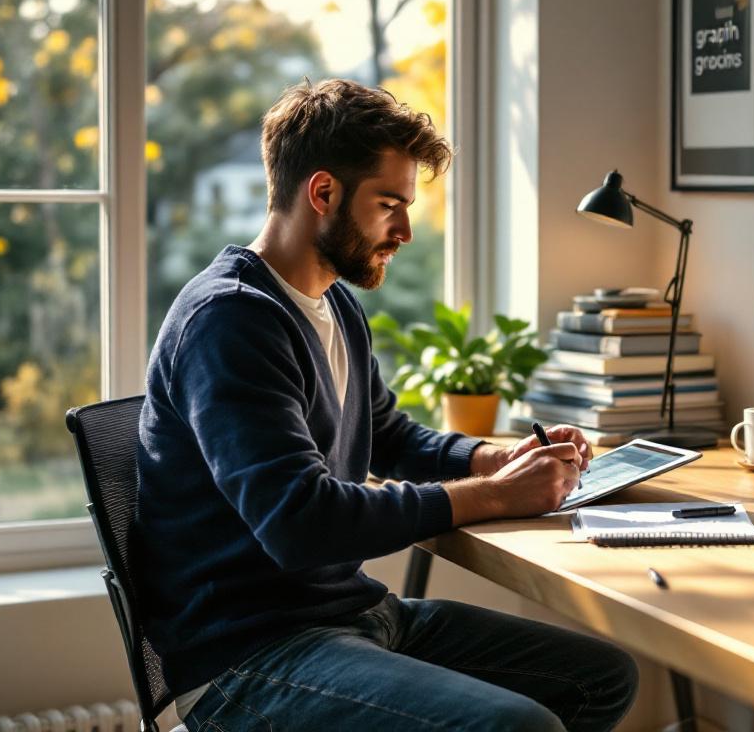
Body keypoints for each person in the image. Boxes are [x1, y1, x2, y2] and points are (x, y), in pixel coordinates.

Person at [135, 79, 639, 731]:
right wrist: (493, 497)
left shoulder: (334, 303)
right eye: (388, 205)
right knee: (518, 728)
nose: (403, 230)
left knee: (600, 678)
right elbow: (300, 521)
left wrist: (497, 458)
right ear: (323, 193)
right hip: (248, 657)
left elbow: (388, 435)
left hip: (350, 615)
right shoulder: (230, 320)